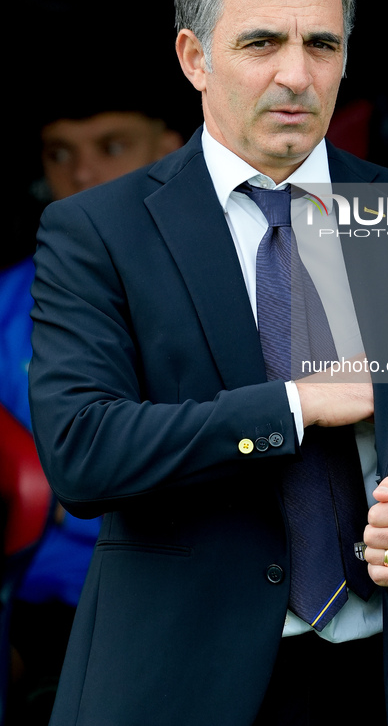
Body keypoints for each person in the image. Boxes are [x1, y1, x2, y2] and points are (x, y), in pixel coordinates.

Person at [27, 0, 388, 726]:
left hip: (387, 683)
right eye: (260, 44)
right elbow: (82, 454)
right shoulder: (98, 231)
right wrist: (295, 405)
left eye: (321, 44)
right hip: (173, 686)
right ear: (193, 58)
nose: (295, 75)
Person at [0, 102, 182, 723]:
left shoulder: (237, 279)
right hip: (37, 584)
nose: (81, 174)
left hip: (184, 587)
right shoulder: (11, 297)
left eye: (110, 147)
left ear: (169, 151)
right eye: (60, 154)